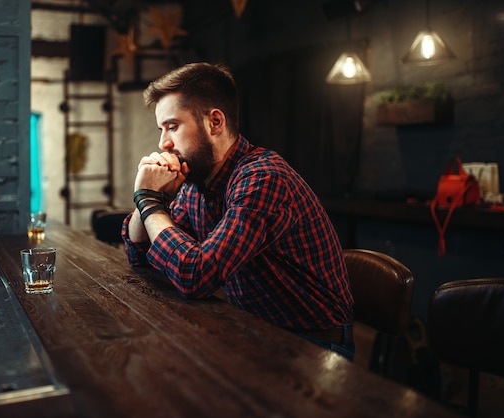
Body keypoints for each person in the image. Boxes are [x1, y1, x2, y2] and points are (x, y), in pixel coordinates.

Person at [121, 62, 355, 360]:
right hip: (254, 332)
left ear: (214, 122)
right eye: (161, 129)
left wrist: (149, 199)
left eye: (173, 126)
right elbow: (139, 255)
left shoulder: (262, 178)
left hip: (314, 348)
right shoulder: (198, 181)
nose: (163, 143)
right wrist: (148, 200)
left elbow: (195, 274)